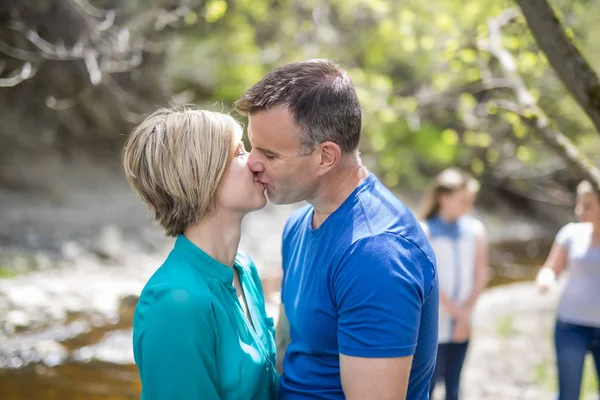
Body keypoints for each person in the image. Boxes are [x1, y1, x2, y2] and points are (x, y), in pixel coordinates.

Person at [234, 59, 439, 399]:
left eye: (269, 154)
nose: (252, 163)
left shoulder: (377, 253)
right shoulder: (299, 225)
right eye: (252, 146)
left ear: (325, 157)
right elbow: (294, 354)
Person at [121, 106, 278, 399]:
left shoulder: (244, 270)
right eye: (239, 153)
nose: (256, 162)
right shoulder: (174, 302)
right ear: (202, 175)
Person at [419, 168, 489, 400]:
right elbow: (429, 278)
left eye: (471, 201)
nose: (468, 206)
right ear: (443, 198)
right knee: (428, 385)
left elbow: (481, 273)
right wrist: (457, 313)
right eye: (463, 201)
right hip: (434, 323)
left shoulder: (475, 231)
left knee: (454, 386)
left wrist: (465, 314)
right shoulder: (425, 231)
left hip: (464, 320)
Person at [536, 180, 600, 400]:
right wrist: (545, 279)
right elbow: (551, 268)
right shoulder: (571, 233)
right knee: (568, 395)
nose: (580, 211)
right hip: (571, 326)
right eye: (578, 204)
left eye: (589, 205)